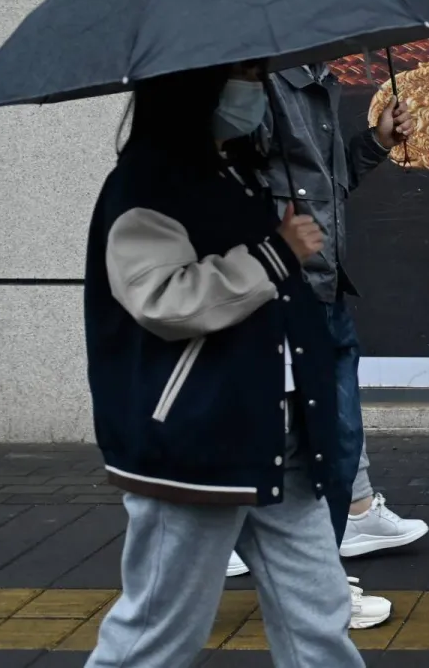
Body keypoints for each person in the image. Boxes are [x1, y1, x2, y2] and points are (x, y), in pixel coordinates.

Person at [85, 63, 364, 667]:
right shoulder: (147, 182)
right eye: (242, 74)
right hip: (197, 440)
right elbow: (163, 299)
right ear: (193, 86)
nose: (257, 87)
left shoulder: (233, 169)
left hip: (281, 431)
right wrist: (274, 255)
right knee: (156, 634)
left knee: (319, 617)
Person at [224, 63, 429, 629]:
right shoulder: (262, 87)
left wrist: (377, 142)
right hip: (288, 294)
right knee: (316, 448)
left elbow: (328, 185)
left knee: (333, 444)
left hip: (325, 288)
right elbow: (230, 183)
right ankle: (317, 584)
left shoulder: (317, 82)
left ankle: (309, 575)